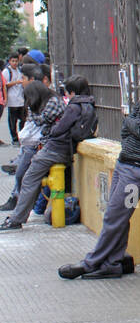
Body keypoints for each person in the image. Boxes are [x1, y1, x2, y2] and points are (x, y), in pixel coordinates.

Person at [58, 60, 140, 280]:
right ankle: (113, 262)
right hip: (126, 164)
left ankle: (91, 262)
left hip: (138, 171)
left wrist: (135, 123)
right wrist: (135, 122)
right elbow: (128, 125)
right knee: (118, 215)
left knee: (115, 215)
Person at [0, 77, 93, 230]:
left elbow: (57, 128)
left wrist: (49, 130)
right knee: (31, 177)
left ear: (72, 92)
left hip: (55, 148)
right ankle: (24, 213)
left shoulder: (68, 106)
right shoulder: (84, 104)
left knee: (29, 179)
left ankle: (16, 218)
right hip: (58, 148)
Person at [0, 82, 52, 211]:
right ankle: (18, 201)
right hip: (32, 145)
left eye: (24, 78)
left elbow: (42, 123)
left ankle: (18, 204)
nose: (22, 81)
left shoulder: (49, 104)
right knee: (22, 175)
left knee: (23, 176)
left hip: (38, 146)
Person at [2, 52, 26, 144]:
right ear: (9, 61)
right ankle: (14, 138)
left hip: (20, 98)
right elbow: (5, 84)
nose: (15, 63)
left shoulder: (19, 70)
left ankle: (22, 135)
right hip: (12, 99)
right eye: (13, 61)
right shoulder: (7, 71)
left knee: (23, 118)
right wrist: (16, 82)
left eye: (16, 61)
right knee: (13, 120)